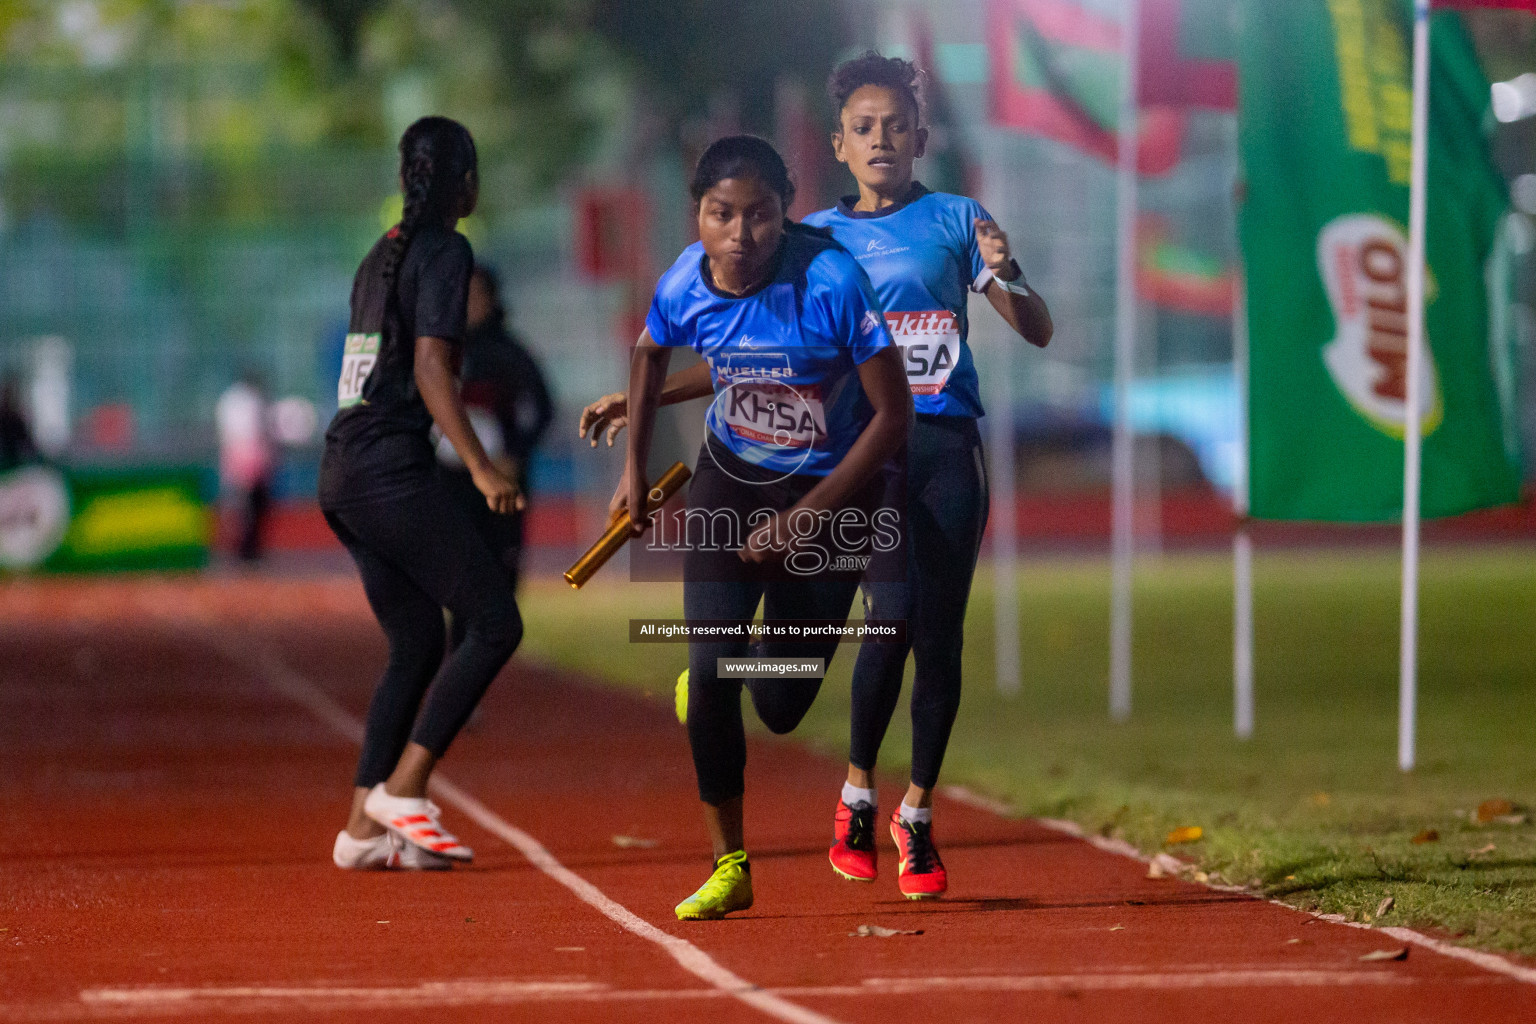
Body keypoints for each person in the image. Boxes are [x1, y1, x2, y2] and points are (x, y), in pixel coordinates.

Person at [579, 54, 1053, 900]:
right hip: (849, 453)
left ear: (920, 136)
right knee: (878, 627)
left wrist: (1007, 270)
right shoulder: (809, 241)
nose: (881, 140)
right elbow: (752, 356)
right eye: (864, 127)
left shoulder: (954, 219)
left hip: (936, 445)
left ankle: (914, 816)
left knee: (928, 637)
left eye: (895, 125)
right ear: (838, 143)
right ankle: (850, 792)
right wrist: (647, 392)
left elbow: (1035, 328)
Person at [614, 135, 911, 920]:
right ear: (698, 216)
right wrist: (632, 471)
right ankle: (730, 863)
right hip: (729, 485)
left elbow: (894, 416)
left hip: (829, 495)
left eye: (761, 216)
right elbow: (649, 356)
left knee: (778, 705)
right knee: (711, 670)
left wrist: (806, 519)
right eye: (722, 215)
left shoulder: (831, 281)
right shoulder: (686, 278)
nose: (741, 235)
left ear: (783, 216)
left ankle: (726, 673)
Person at [318, 116, 525, 872]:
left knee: (416, 641)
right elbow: (434, 370)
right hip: (387, 470)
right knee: (495, 623)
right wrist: (479, 466)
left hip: (342, 470)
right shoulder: (445, 251)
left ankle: (361, 831)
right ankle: (404, 789)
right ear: (463, 182)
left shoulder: (380, 255)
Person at [435, 264, 554, 603]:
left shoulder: (511, 355)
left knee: (500, 579)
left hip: (502, 482)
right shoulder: (437, 356)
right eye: (460, 296)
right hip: (451, 484)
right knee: (458, 581)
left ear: (491, 299)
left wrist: (514, 455)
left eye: (475, 295)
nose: (467, 304)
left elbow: (541, 410)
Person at [215, 372, 275, 562]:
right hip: (246, 455)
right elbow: (255, 432)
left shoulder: (232, 399)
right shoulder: (249, 400)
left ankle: (244, 549)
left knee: (243, 506)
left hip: (240, 455)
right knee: (243, 507)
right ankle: (242, 549)